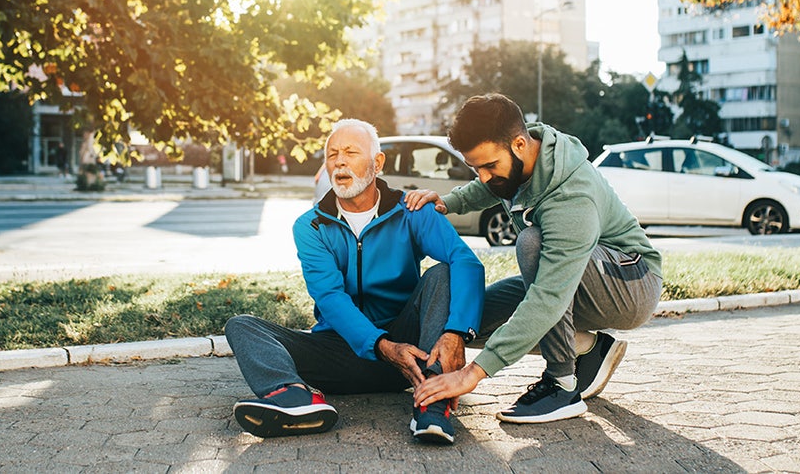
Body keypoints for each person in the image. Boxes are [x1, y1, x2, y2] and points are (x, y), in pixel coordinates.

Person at [224, 119, 485, 444]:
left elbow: (466, 262)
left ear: (377, 163)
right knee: (242, 325)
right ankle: (293, 398)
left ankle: (434, 401)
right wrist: (381, 346)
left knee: (443, 273)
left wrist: (456, 333)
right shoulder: (311, 226)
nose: (340, 161)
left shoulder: (412, 211)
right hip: (340, 352)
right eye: (332, 154)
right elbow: (330, 298)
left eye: (350, 152)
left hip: (411, 353)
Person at [406, 93, 662, 424]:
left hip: (631, 284)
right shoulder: (520, 161)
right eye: (475, 167)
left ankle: (562, 385)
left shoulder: (571, 195)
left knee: (532, 244)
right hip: (580, 279)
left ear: (519, 144)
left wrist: (472, 374)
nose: (483, 176)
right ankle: (586, 348)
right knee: (470, 321)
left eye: (489, 166)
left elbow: (548, 298)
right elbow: (489, 187)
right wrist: (447, 203)